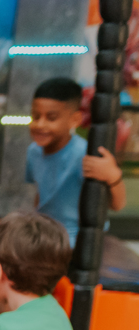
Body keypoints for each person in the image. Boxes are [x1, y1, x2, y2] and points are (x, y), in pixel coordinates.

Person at [26, 76, 126, 245]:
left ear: (74, 120)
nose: (40, 124)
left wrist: (112, 175)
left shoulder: (83, 154)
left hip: (78, 240)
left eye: (51, 118)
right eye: (36, 116)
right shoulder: (33, 151)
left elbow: (117, 205)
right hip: (47, 236)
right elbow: (40, 193)